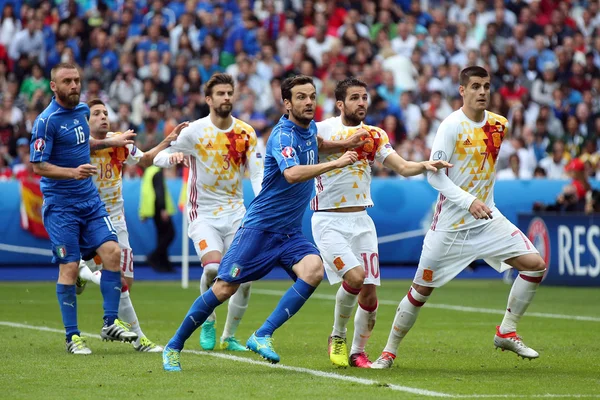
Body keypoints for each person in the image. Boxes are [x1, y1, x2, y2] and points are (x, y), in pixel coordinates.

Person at [160, 74, 364, 371]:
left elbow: (318, 143)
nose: (309, 102)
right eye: (301, 97)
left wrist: (347, 142)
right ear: (287, 103)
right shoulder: (282, 135)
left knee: (313, 270)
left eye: (311, 96)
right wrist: (336, 163)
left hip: (289, 232)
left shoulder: (309, 130)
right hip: (260, 228)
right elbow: (292, 173)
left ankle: (263, 333)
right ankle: (173, 346)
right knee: (224, 289)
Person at [371, 66, 547, 369]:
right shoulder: (450, 126)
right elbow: (435, 177)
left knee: (535, 266)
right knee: (419, 293)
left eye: (486, 86)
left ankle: (506, 330)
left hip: (487, 219)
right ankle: (388, 352)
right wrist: (469, 202)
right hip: (450, 226)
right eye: (476, 86)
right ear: (462, 90)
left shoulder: (499, 124)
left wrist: (480, 203)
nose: (482, 92)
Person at [312, 77, 451, 368]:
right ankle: (337, 335)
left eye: (364, 97)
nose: (361, 102)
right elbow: (311, 149)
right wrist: (344, 145)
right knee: (354, 277)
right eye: (354, 98)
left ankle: (357, 351)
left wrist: (424, 165)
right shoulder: (322, 129)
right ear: (340, 104)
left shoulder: (374, 135)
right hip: (328, 220)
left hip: (361, 221)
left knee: (371, 296)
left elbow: (400, 166)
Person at [29, 62, 138, 354]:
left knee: (113, 252)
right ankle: (72, 337)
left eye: (77, 80)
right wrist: (72, 172)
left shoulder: (82, 112)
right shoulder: (46, 121)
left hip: (89, 201)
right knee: (69, 267)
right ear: (54, 86)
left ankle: (110, 323)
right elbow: (39, 164)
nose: (74, 86)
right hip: (61, 206)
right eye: (67, 81)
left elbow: (83, 142)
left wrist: (112, 141)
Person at [154, 73, 264, 352]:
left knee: (245, 277)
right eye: (220, 93)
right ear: (208, 99)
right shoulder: (194, 131)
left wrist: (264, 202)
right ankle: (208, 319)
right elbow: (157, 157)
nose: (226, 97)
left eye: (230, 92)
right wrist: (174, 158)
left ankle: (229, 336)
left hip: (236, 212)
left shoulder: (246, 132)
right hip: (202, 213)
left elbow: (257, 174)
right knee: (214, 269)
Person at [75, 98, 188, 352]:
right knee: (117, 280)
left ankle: (83, 276)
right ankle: (139, 338)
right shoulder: (79, 143)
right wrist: (112, 142)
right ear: (86, 121)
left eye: (105, 112)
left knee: (125, 281)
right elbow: (85, 149)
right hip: (90, 218)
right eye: (96, 114)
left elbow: (146, 159)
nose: (103, 116)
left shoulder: (120, 142)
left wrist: (168, 140)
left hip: (117, 218)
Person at [140, 164, 177, 272]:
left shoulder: (149, 171)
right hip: (159, 208)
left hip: (152, 208)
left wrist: (143, 213)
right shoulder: (157, 171)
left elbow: (146, 193)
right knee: (170, 234)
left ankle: (164, 264)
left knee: (161, 236)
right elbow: (159, 191)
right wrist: (163, 209)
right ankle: (154, 256)